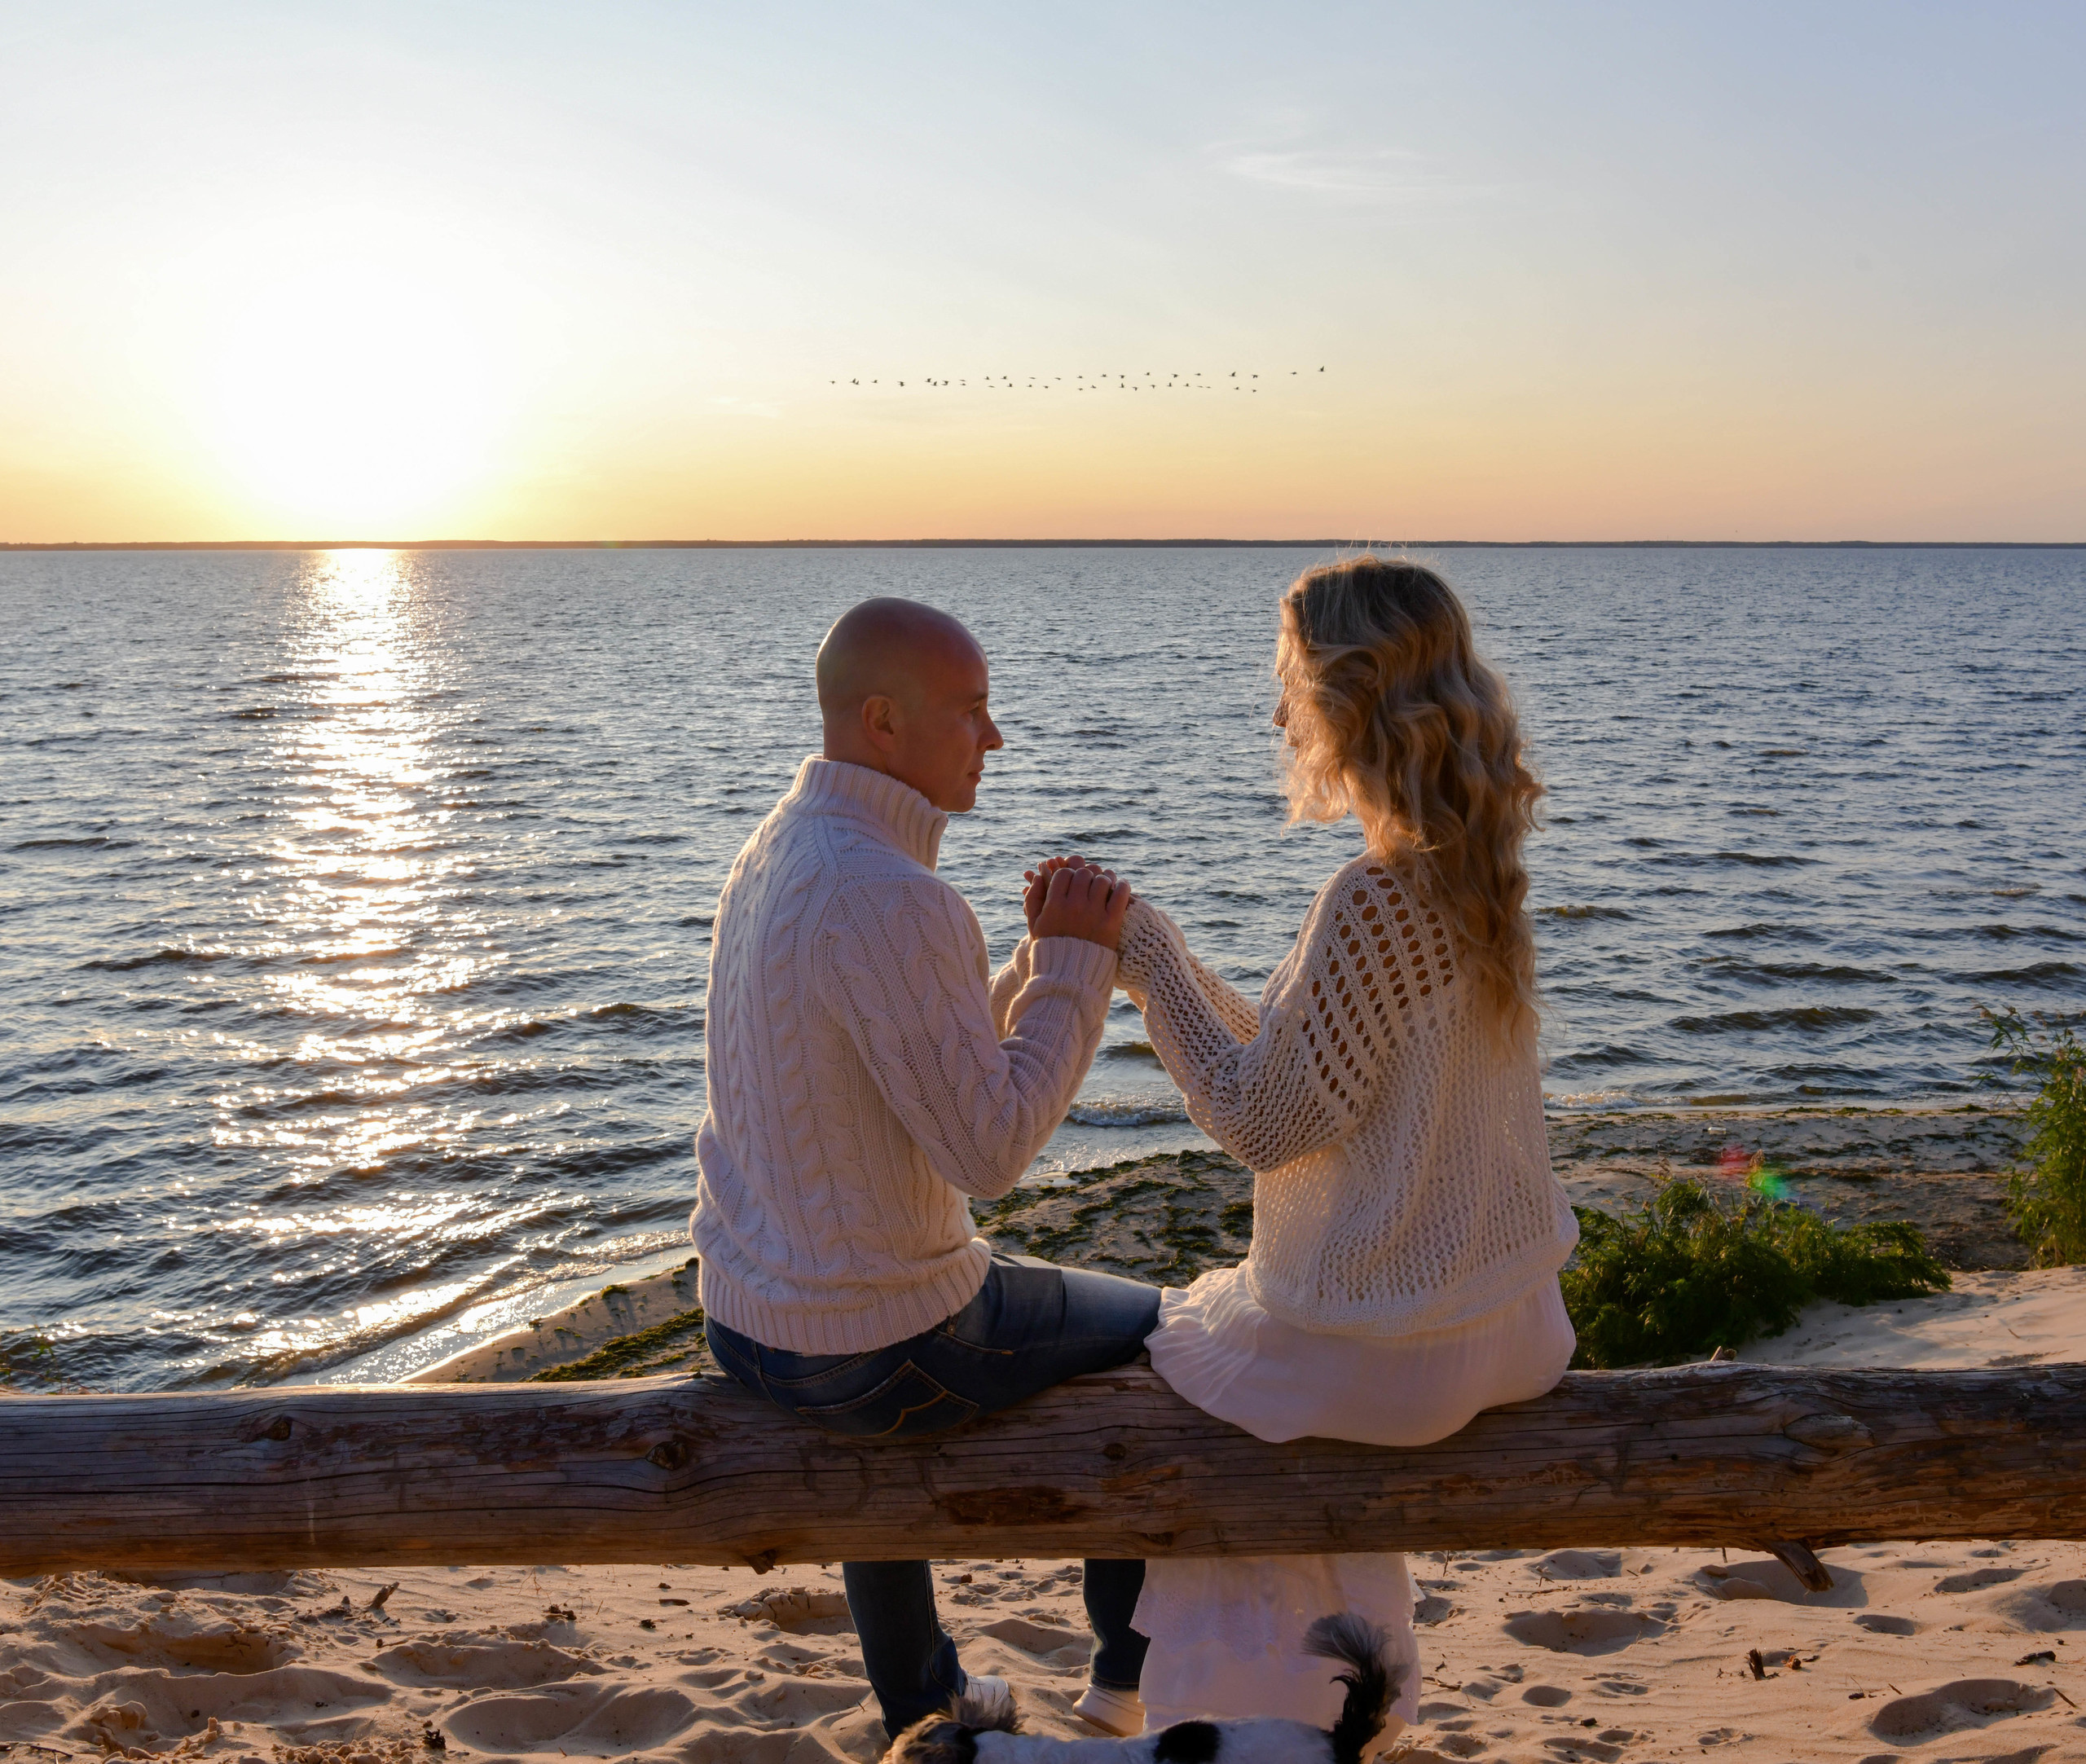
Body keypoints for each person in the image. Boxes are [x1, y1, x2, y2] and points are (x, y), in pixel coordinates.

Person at [1065, 555, 1581, 1747]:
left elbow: (1264, 1119)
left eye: (1294, 683)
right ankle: (1306, 1693)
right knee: (1228, 1366)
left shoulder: (1374, 897)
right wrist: (1168, 953)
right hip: (1507, 1319)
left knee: (1171, 1350)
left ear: (1349, 701)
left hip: (1394, 1339)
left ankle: (1199, 1695)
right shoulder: (1478, 868)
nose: (1281, 709)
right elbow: (1322, 1075)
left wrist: (1146, 966)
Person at [690, 596, 1161, 1743]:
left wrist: (1020, 963)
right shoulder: (897, 896)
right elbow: (988, 1150)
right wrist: (1072, 967)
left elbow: (906, 1071)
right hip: (877, 1346)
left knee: (869, 1293)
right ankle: (1117, 1682)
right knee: (1171, 1333)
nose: (993, 739)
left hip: (747, 1318)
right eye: (973, 712)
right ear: (887, 721)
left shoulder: (779, 849)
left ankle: (928, 1705)